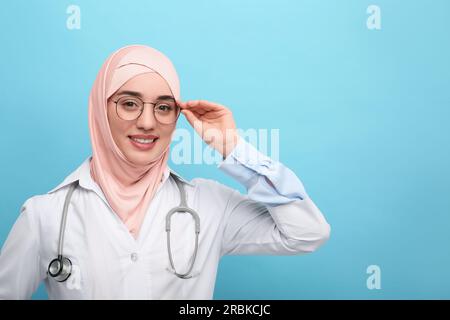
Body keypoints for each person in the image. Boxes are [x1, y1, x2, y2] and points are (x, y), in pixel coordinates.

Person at [0, 44, 331, 299]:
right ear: (101, 110)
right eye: (129, 103)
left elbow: (307, 233)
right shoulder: (44, 215)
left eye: (163, 107)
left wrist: (234, 147)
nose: (147, 122)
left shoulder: (209, 204)